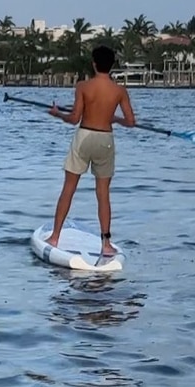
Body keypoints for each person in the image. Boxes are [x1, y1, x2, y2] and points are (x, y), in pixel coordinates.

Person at [46, 45, 136, 257]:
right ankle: (106, 244)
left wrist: (57, 114)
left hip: (84, 136)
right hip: (105, 139)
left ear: (94, 64)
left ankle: (55, 237)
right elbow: (131, 122)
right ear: (112, 66)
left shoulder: (83, 86)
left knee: (69, 188)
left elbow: (74, 118)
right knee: (103, 194)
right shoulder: (119, 91)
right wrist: (114, 118)